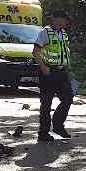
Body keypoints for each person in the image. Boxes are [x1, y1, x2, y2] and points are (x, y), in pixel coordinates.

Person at [32, 9, 73, 142]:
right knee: (46, 104)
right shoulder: (45, 33)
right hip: (48, 72)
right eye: (63, 19)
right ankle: (43, 133)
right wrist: (44, 68)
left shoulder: (64, 33)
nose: (65, 22)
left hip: (62, 72)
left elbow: (64, 52)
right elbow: (35, 51)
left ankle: (58, 126)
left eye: (65, 20)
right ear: (55, 19)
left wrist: (68, 68)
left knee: (68, 98)